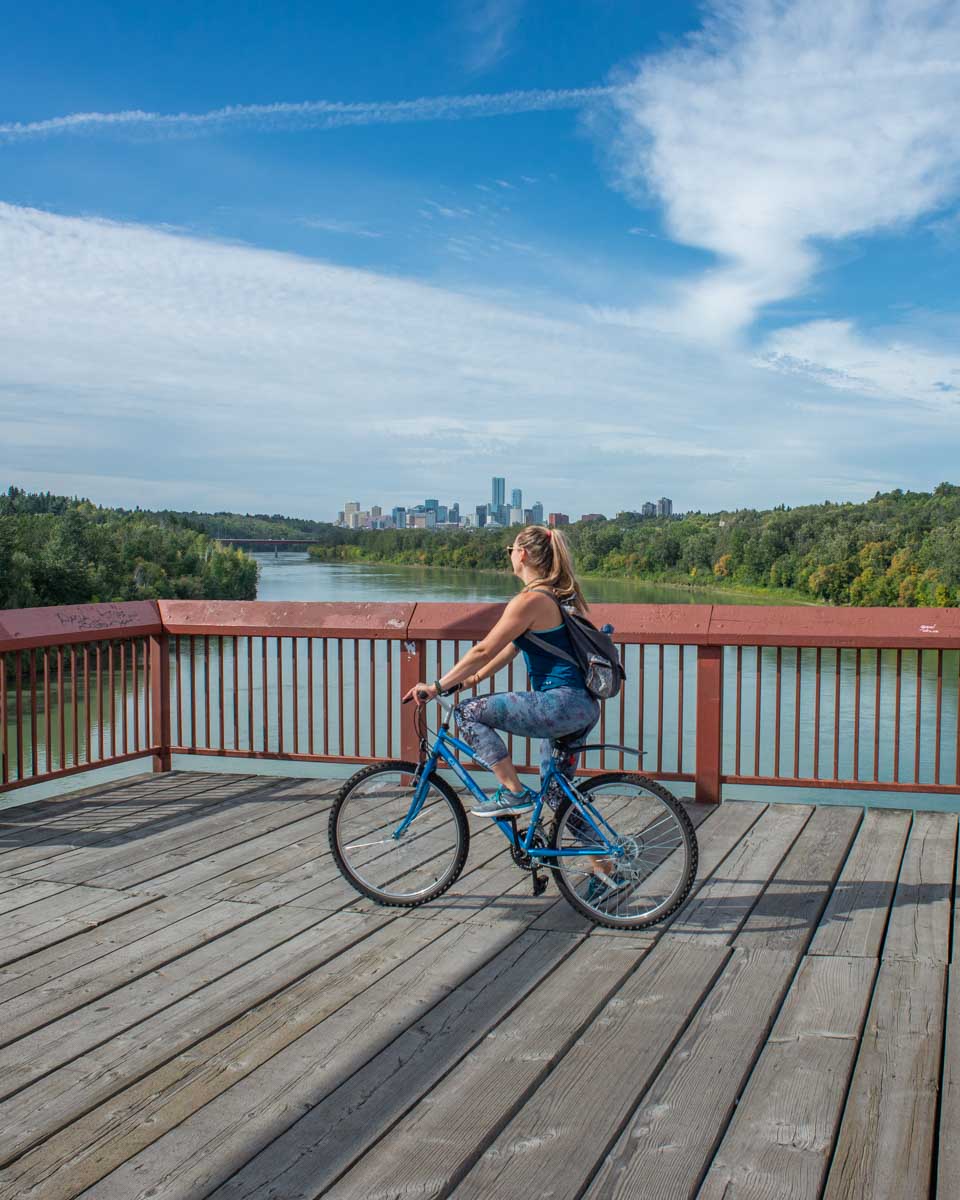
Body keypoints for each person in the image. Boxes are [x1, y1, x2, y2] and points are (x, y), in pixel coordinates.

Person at [402, 524, 599, 817]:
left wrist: (437, 687)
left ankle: (513, 791)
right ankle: (603, 862)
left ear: (522, 554)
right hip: (582, 707)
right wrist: (469, 680)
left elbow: (483, 650)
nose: (509, 556)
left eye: (510, 550)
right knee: (558, 797)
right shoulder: (556, 596)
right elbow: (511, 648)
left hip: (558, 704)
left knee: (466, 713)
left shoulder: (529, 601)